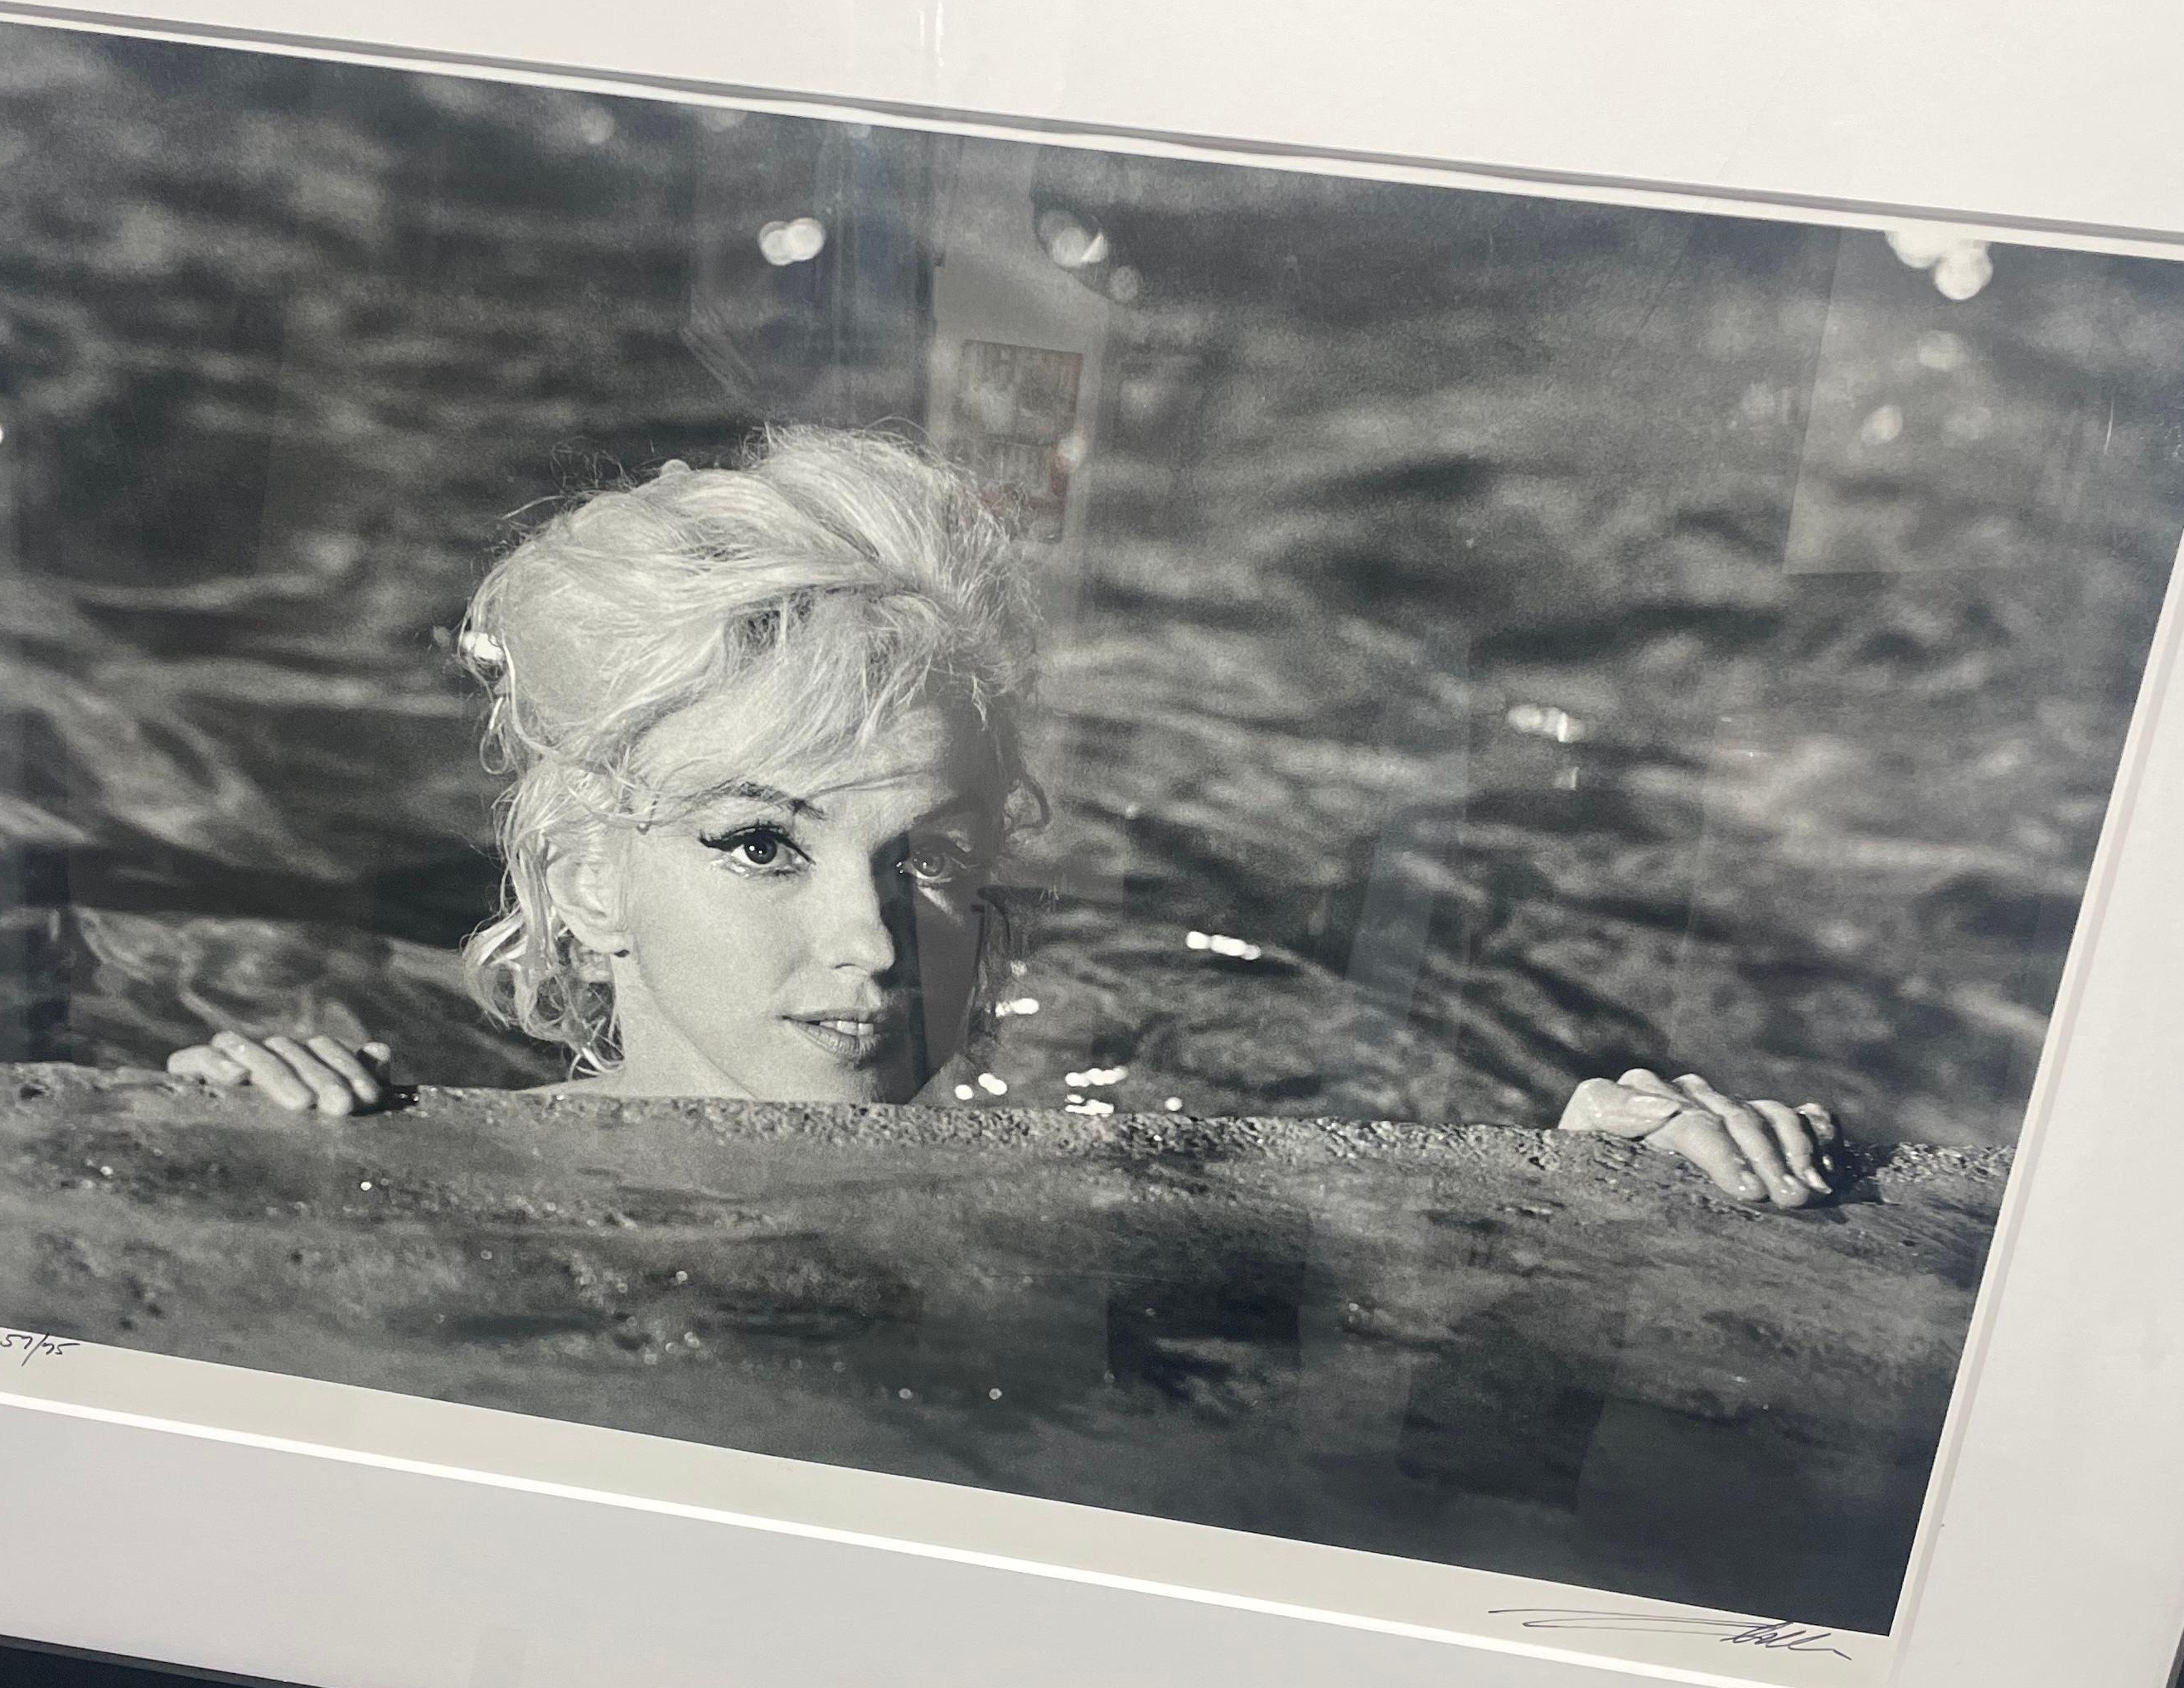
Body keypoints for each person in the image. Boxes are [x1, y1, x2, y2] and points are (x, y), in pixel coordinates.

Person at [169, 427, 1838, 1207]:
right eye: (761, 842)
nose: (868, 946)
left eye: (931, 862)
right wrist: (217, 1141)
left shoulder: (1114, 1191)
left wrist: (1581, 1184)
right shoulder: (408, 1173)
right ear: (591, 880)